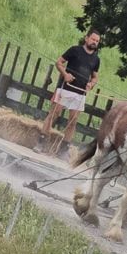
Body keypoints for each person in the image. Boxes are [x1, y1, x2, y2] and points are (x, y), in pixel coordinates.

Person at [34, 29, 101, 159]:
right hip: (65, 88)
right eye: (93, 39)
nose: (94, 42)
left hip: (80, 93)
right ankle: (41, 143)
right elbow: (59, 62)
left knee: (73, 121)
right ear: (87, 38)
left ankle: (63, 150)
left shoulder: (96, 59)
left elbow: (95, 77)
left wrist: (91, 84)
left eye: (97, 41)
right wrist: (65, 74)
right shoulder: (75, 50)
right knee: (54, 114)